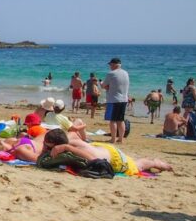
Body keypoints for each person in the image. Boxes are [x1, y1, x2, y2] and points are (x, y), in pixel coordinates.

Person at [43, 129, 173, 175]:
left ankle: (157, 163)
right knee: (133, 160)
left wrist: (67, 148)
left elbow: (93, 159)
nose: (45, 149)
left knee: (138, 165)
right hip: (102, 148)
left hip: (114, 158)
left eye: (48, 147)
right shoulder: (67, 139)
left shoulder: (70, 148)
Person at [101, 58, 130, 143]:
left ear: (114, 64)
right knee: (121, 120)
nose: (110, 66)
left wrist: (101, 83)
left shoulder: (111, 73)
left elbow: (103, 85)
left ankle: (113, 139)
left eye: (110, 65)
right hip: (124, 99)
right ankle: (120, 139)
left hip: (114, 99)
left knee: (113, 120)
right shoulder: (125, 73)